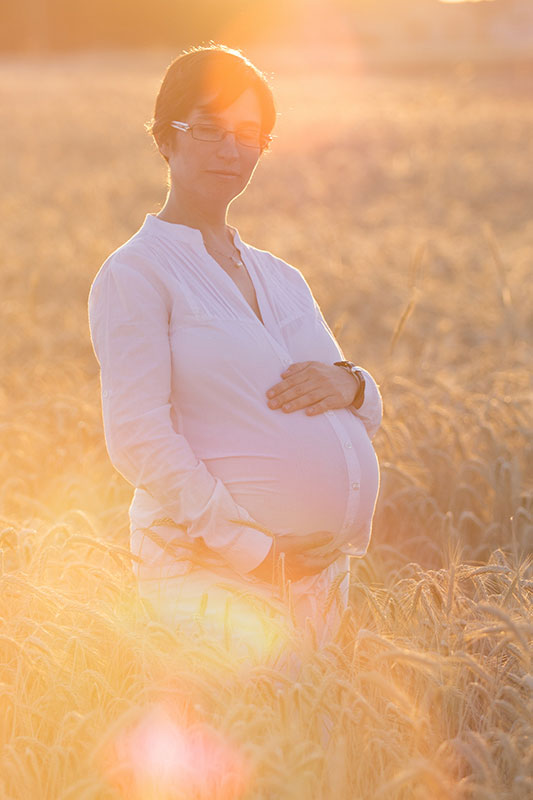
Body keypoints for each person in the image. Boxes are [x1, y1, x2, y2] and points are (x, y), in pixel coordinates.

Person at [88, 44, 382, 660]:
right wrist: (254, 551)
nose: (231, 149)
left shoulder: (281, 276)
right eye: (210, 129)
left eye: (249, 134)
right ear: (165, 139)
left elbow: (353, 402)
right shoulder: (138, 273)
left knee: (316, 748)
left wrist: (356, 385)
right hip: (213, 577)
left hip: (318, 579)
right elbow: (137, 436)